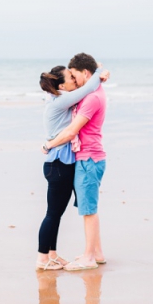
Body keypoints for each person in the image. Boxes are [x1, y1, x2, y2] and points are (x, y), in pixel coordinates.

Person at [36, 63, 109, 270]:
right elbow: (87, 88)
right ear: (61, 85)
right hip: (58, 164)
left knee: (56, 213)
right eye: (70, 77)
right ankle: (42, 259)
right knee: (52, 214)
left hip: (60, 163)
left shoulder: (58, 99)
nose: (74, 81)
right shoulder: (61, 100)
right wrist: (97, 72)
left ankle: (52, 254)